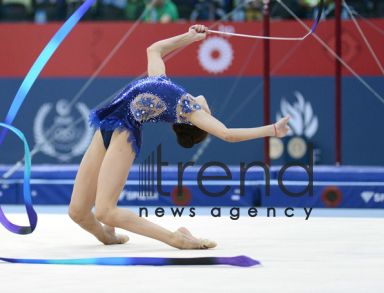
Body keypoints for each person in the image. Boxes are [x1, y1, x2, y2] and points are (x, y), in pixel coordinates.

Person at [69, 25, 291, 248]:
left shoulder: (187, 109)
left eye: (209, 114)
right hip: (106, 126)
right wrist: (190, 37)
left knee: (106, 211)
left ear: (195, 121)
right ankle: (109, 237)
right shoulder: (164, 81)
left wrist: (272, 130)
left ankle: (176, 238)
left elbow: (227, 134)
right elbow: (154, 50)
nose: (208, 107)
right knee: (77, 212)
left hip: (124, 134)